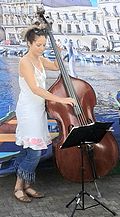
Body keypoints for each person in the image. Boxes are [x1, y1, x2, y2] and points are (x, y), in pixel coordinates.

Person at [13, 25, 76, 203]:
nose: (41, 48)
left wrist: (59, 51)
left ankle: (25, 185)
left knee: (28, 150)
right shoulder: (24, 62)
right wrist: (61, 100)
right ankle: (18, 186)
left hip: (38, 110)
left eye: (44, 45)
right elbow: (35, 88)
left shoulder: (40, 59)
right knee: (35, 152)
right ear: (29, 43)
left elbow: (56, 66)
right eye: (38, 45)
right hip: (28, 110)